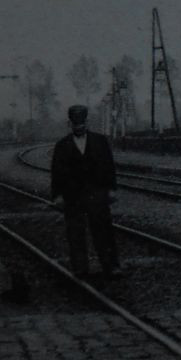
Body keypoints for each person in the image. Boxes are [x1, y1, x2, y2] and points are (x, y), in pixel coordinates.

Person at [49, 104, 122, 278]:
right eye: (76, 124)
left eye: (82, 124)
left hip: (97, 193)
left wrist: (111, 189)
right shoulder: (62, 145)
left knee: (103, 230)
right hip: (72, 196)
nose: (79, 127)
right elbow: (56, 172)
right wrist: (57, 195)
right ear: (70, 124)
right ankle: (80, 268)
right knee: (75, 232)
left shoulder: (100, 141)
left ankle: (111, 266)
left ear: (87, 122)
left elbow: (109, 166)